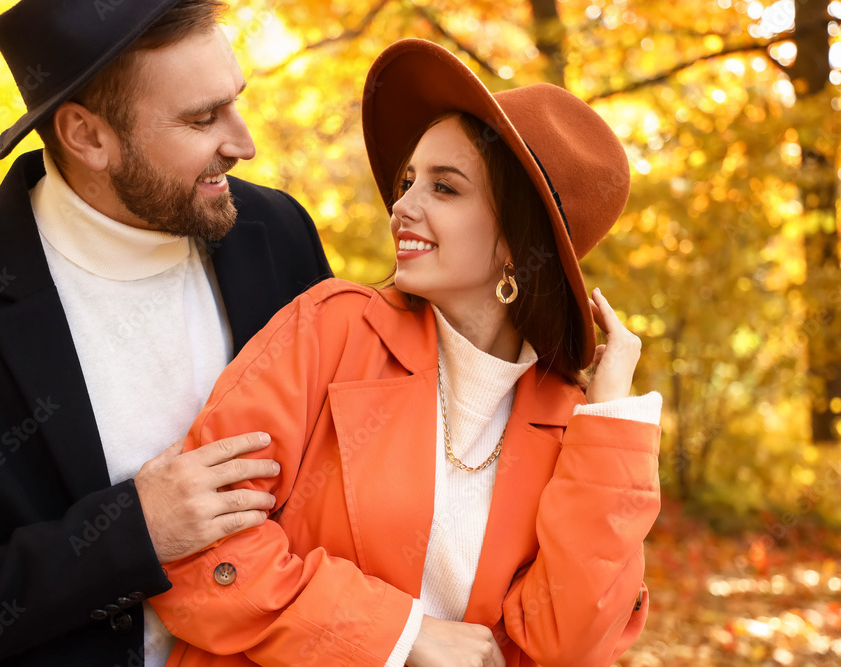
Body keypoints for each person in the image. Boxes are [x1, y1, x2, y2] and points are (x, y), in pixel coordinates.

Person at [150, 38, 662, 667]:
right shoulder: (332, 329)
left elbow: (567, 645)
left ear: (514, 241)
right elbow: (198, 552)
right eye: (408, 181)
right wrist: (399, 636)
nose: (402, 207)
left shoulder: (567, 420)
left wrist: (610, 428)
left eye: (445, 189)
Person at [0, 1, 330, 665]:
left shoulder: (278, 234)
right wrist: (129, 534)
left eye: (233, 103)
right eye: (202, 119)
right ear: (87, 136)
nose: (242, 142)